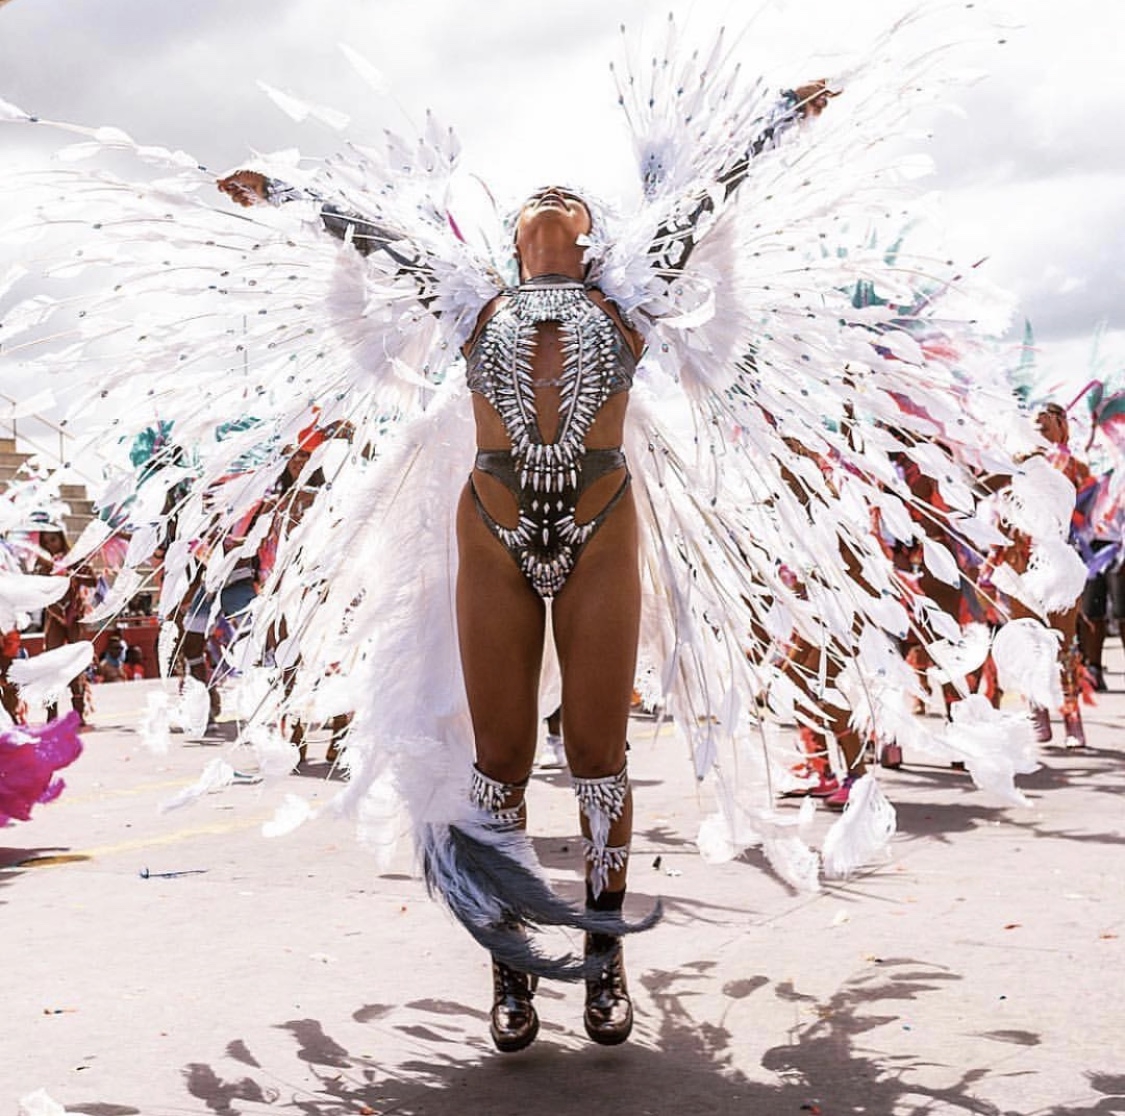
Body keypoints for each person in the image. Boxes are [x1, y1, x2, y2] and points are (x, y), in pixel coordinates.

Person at [220, 79, 835, 1051]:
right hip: (491, 539)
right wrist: (288, 197)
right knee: (499, 763)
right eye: (535, 201)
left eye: (571, 199)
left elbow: (711, 192)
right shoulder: (471, 302)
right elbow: (372, 236)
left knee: (599, 759)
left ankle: (602, 960)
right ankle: (511, 974)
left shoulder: (629, 298)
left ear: (593, 238)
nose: (551, 197)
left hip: (602, 532)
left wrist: (780, 119)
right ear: (513, 240)